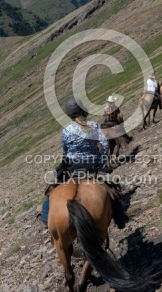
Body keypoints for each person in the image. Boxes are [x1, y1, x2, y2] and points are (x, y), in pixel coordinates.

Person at [40, 97, 127, 228]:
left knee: (52, 188)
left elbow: (66, 150)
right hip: (92, 167)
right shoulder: (94, 126)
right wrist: (102, 164)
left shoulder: (66, 130)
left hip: (72, 168)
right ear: (83, 111)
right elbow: (104, 146)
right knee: (112, 188)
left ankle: (46, 216)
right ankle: (120, 219)